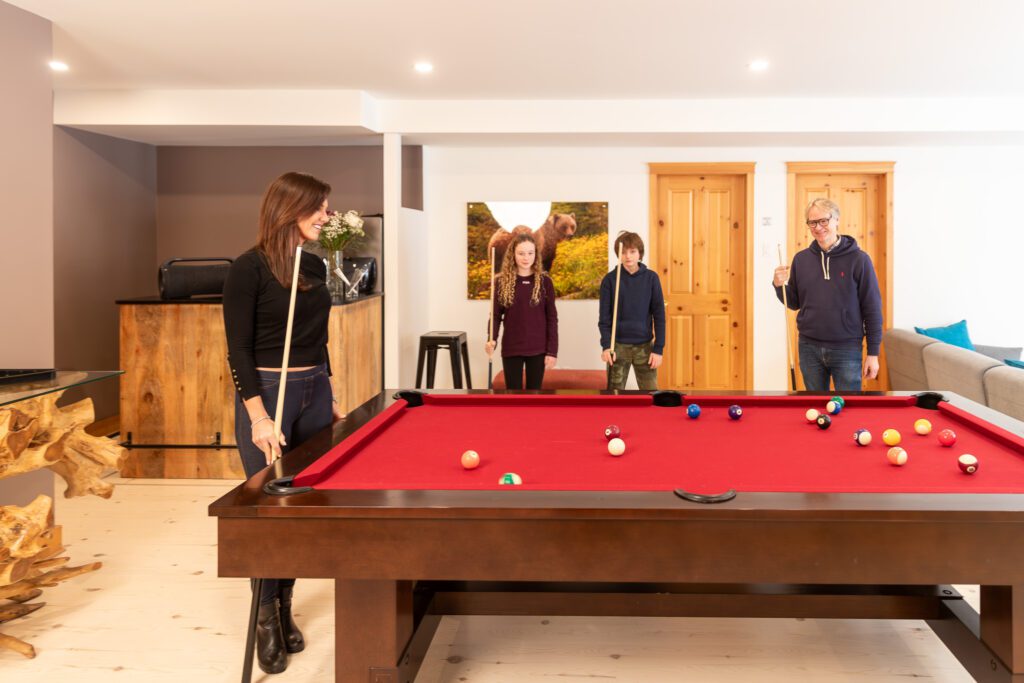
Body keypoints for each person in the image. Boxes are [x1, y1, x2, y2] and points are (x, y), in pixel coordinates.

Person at [222, 171, 344, 674]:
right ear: (290, 208)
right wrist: (258, 417)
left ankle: (285, 602)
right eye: (319, 208)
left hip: (314, 390)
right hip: (270, 394)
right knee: (267, 510)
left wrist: (329, 393)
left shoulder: (311, 264)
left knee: (300, 507)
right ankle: (265, 615)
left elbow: (318, 339)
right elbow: (238, 349)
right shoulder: (247, 269)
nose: (326, 216)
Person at [773, 197, 883, 392]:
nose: (818, 227)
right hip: (808, 347)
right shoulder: (801, 259)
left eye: (823, 221)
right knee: (815, 405)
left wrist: (873, 353)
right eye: (812, 222)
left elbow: (872, 309)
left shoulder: (859, 260)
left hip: (847, 349)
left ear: (837, 220)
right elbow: (794, 302)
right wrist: (778, 285)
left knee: (848, 406)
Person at [485, 232, 558, 389]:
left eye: (530, 253)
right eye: (521, 253)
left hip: (538, 349)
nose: (526, 258)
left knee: (534, 395)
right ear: (513, 254)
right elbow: (496, 316)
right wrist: (492, 338)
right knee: (513, 396)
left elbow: (552, 319)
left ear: (536, 254)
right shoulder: (501, 282)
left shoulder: (545, 282)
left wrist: (552, 351)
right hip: (511, 348)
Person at [598, 231, 665, 390]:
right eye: (623, 252)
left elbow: (659, 316)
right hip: (617, 347)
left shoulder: (651, 278)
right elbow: (604, 319)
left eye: (632, 251)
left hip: (645, 347)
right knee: (613, 395)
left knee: (650, 394)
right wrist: (606, 346)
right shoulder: (610, 280)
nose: (628, 256)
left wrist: (658, 349)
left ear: (639, 253)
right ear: (618, 254)